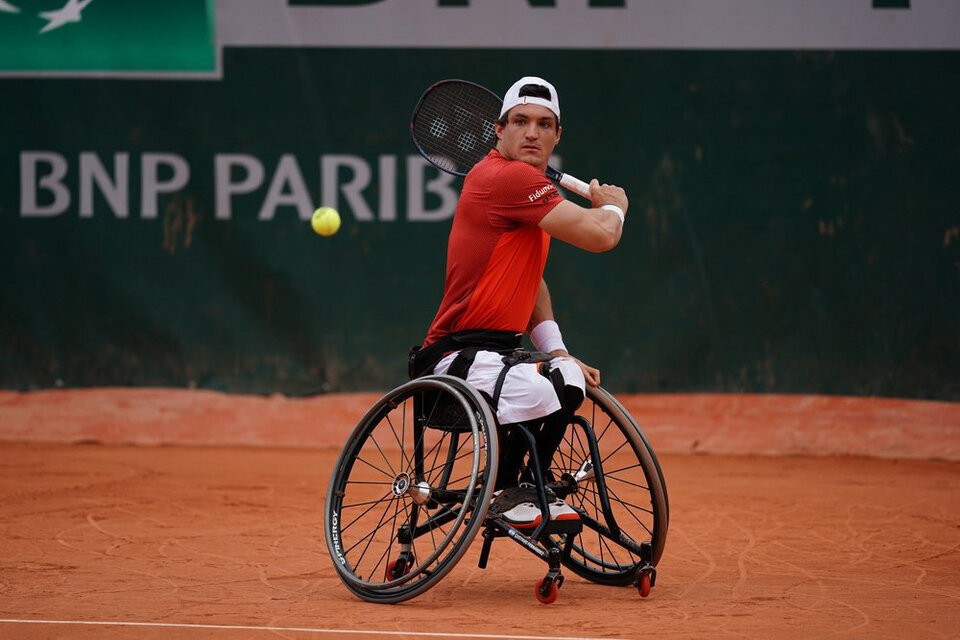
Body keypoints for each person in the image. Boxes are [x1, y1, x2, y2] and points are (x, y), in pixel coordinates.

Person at [408, 76, 628, 529]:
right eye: (521, 121)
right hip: (454, 354)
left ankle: (524, 486)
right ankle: (512, 490)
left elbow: (533, 285)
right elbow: (602, 235)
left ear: (557, 134)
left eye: (544, 124)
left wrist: (558, 349)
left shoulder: (526, 185)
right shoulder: (504, 178)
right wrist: (613, 207)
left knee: (567, 375)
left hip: (504, 354)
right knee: (536, 388)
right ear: (499, 130)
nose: (532, 132)